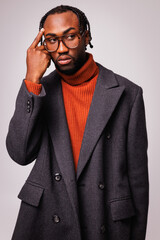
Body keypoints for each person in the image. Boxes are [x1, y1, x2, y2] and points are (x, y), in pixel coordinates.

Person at [6, 5, 149, 240]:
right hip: (45, 219)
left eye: (70, 36)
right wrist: (31, 80)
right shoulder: (39, 90)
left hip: (102, 218)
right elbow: (20, 154)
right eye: (51, 40)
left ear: (86, 36)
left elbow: (138, 180)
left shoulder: (128, 94)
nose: (61, 48)